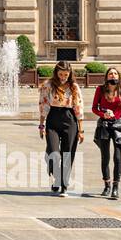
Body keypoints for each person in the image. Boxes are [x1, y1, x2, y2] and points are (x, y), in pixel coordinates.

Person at [38, 61, 84, 196]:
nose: (63, 77)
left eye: (65, 74)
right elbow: (43, 105)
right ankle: (54, 170)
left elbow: (79, 107)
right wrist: (41, 125)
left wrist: (81, 130)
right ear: (56, 73)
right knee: (54, 153)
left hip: (70, 119)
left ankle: (63, 184)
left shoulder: (74, 87)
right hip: (53, 118)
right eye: (60, 74)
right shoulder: (48, 85)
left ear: (70, 74)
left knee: (68, 153)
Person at [91, 67, 121, 199]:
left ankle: (115, 187)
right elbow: (94, 108)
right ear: (107, 77)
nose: (113, 76)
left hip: (118, 125)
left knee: (118, 157)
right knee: (105, 157)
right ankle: (107, 184)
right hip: (104, 125)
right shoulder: (100, 89)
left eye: (115, 74)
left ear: (118, 76)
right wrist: (103, 114)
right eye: (110, 74)